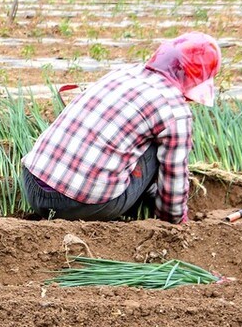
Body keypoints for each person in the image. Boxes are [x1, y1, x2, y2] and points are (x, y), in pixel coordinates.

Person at [21, 32, 222, 224]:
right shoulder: (174, 108)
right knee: (157, 147)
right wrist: (176, 222)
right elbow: (173, 184)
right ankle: (146, 201)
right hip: (80, 205)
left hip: (32, 184)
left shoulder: (124, 73)